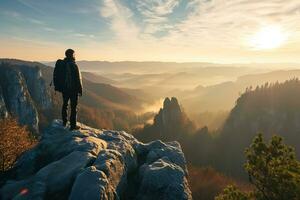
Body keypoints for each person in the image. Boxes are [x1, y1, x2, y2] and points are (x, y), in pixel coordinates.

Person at [55, 49, 82, 130]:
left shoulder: (62, 63)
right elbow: (78, 79)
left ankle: (64, 122)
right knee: (73, 107)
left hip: (64, 89)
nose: (75, 55)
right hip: (73, 89)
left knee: (65, 105)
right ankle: (73, 126)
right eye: (74, 54)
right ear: (71, 55)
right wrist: (80, 90)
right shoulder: (73, 65)